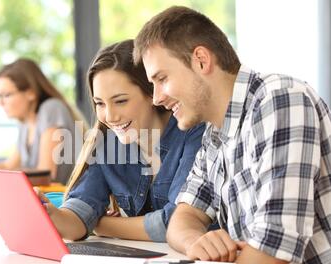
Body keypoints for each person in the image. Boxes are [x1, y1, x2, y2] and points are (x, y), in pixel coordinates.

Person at [133, 6, 331, 264]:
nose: (157, 98)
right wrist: (196, 243)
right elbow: (183, 216)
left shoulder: (279, 100)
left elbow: (273, 247)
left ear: (201, 60)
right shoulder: (214, 136)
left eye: (161, 79)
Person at [35, 39, 205, 243]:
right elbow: (77, 218)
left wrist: (101, 225)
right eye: (100, 104)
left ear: (152, 93)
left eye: (120, 101)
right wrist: (50, 213)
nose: (110, 116)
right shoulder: (108, 143)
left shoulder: (194, 134)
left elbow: (176, 224)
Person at [0, 58, 86, 184]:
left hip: (61, 199)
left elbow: (45, 173)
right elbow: (8, 166)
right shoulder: (25, 124)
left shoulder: (51, 108)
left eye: (6, 95)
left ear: (31, 93)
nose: (0, 102)